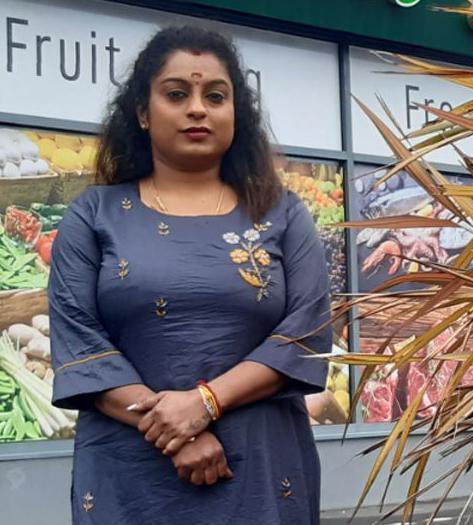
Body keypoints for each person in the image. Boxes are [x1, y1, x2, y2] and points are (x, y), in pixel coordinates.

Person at [48, 26, 330, 524]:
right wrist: (181, 431)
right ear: (142, 112)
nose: (197, 108)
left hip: (261, 470)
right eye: (177, 94)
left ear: (234, 114)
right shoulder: (95, 214)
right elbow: (80, 342)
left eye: (215, 96)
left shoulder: (281, 214)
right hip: (129, 473)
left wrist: (204, 404)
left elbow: (304, 334)